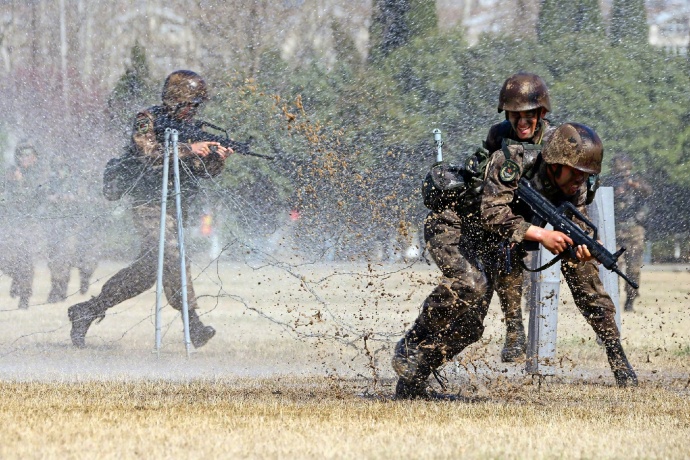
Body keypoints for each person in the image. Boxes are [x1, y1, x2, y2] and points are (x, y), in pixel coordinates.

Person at [393, 122, 637, 399]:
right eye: (576, 173)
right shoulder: (514, 162)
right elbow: (492, 214)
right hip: (458, 227)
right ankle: (412, 340)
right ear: (556, 164)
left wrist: (585, 247)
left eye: (586, 175)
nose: (580, 180)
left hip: (495, 243)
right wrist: (542, 235)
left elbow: (574, 227)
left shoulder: (575, 187)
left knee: (469, 327)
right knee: (470, 286)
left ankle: (412, 381)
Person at [68, 70, 231, 348]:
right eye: (189, 104)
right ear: (174, 100)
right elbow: (149, 154)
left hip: (176, 206)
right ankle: (193, 324)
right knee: (172, 252)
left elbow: (201, 172)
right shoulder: (148, 119)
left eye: (196, 105)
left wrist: (216, 157)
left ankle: (87, 310)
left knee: (147, 272)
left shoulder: (193, 129)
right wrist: (190, 148)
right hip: (148, 202)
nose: (193, 111)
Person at [0, 142, 47, 309]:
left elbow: (35, 199)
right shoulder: (10, 173)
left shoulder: (39, 176)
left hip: (30, 223)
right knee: (4, 258)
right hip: (10, 222)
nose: (25, 158)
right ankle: (17, 279)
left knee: (25, 260)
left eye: (28, 155)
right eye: (22, 155)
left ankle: (24, 298)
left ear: (35, 158)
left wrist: (20, 184)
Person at [603, 154, 651, 312]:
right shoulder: (609, 182)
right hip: (614, 229)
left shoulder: (636, 180)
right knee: (613, 266)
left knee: (634, 268)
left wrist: (635, 186)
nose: (623, 174)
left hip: (634, 230)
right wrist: (615, 192)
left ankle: (630, 300)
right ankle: (612, 299)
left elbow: (648, 193)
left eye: (626, 170)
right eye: (620, 171)